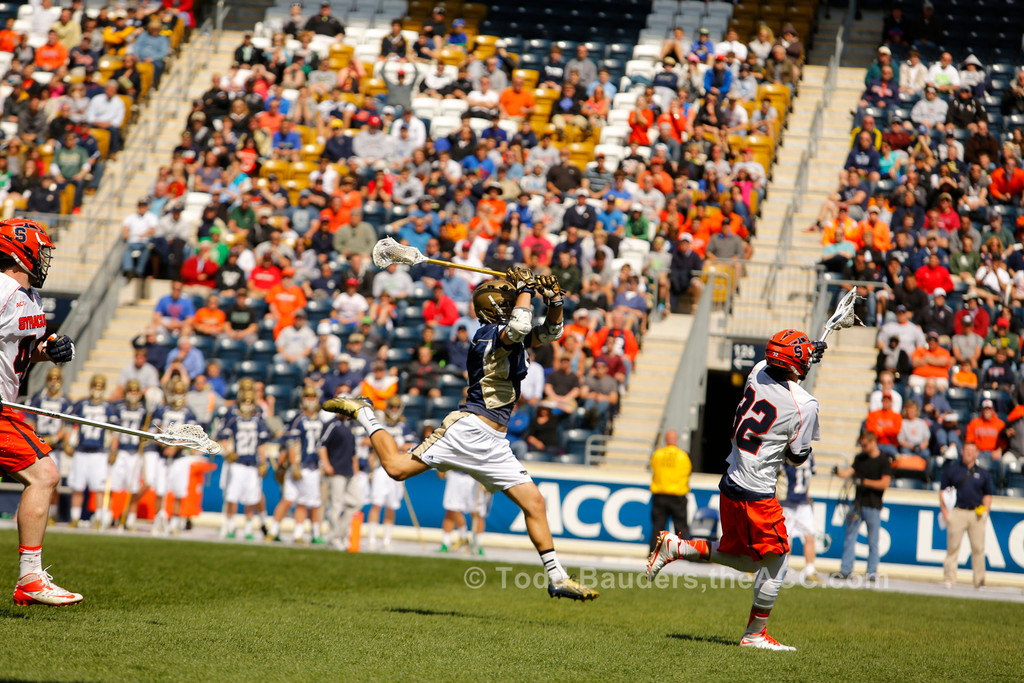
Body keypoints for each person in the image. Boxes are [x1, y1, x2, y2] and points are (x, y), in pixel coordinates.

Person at [324, 268, 599, 600]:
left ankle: (556, 577)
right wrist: (527, 288)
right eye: (509, 300)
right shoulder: (487, 334)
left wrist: (554, 300)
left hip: (496, 441)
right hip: (469, 428)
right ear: (496, 308)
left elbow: (552, 332)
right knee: (396, 469)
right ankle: (365, 411)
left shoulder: (511, 332)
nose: (515, 303)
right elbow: (522, 325)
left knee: (535, 503)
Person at [647, 329, 826, 651]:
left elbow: (783, 375)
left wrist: (807, 354)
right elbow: (797, 457)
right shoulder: (806, 403)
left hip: (732, 479)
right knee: (778, 560)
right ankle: (755, 634)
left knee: (746, 560)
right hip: (757, 490)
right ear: (796, 365)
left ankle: (677, 547)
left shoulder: (758, 370)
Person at [0, 219, 81, 605]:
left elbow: (19, 350)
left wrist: (46, 352)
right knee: (44, 473)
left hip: (8, 407)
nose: (45, 258)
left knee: (44, 474)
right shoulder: (1, 289)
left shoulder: (28, 296)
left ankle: (30, 578)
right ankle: (30, 578)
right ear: (20, 250)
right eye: (41, 249)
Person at [269, 386, 330, 544]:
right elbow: (290, 444)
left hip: (313, 466)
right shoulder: (298, 420)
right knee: (288, 499)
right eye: (307, 396)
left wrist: (323, 465)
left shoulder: (321, 421)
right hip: (299, 466)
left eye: (313, 397)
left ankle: (303, 533)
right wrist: (292, 465)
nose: (310, 400)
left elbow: (324, 446)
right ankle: (273, 529)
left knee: (310, 503)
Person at [833, 431, 892, 582]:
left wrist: (864, 482)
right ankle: (845, 570)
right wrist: (838, 472)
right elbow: (849, 472)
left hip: (873, 506)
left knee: (873, 540)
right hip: (857, 504)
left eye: (865, 444)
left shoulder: (884, 461)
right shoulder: (860, 458)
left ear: (873, 442)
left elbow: (885, 483)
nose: (863, 447)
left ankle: (871, 572)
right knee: (850, 536)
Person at [148, 380, 200, 536]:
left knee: (178, 491)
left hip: (180, 457)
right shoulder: (161, 410)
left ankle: (174, 523)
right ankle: (158, 520)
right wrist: (164, 444)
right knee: (160, 490)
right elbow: (153, 431)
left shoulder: (189, 413)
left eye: (180, 393)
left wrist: (176, 446)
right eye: (174, 392)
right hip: (162, 455)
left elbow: (192, 436)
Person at [217, 390, 270, 541]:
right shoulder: (234, 418)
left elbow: (261, 444)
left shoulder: (258, 420)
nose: (247, 405)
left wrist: (263, 461)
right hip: (237, 462)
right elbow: (223, 437)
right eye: (245, 401)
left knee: (251, 498)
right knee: (232, 496)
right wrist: (228, 452)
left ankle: (248, 527)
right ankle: (231, 525)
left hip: (252, 463)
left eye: (250, 402)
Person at [940, 442, 993, 589]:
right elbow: (943, 492)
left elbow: (988, 494)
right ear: (962, 452)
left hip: (976, 514)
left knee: (978, 549)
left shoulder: (983, 473)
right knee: (953, 548)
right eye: (967, 450)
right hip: (957, 512)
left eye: (972, 451)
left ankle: (979, 581)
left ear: (977, 454)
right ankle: (949, 579)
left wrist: (985, 511)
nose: (969, 453)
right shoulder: (952, 470)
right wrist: (945, 512)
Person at [67, 374, 115, 529]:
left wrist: (113, 450)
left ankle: (100, 518)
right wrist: (69, 442)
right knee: (77, 487)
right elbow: (70, 425)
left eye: (100, 387)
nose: (97, 390)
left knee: (99, 488)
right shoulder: (81, 404)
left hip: (99, 452)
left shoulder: (108, 407)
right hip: (81, 450)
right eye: (95, 386)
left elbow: (114, 432)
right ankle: (74, 518)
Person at [107, 380, 148, 531]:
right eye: (130, 390)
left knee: (134, 487)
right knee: (114, 485)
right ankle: (110, 515)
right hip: (122, 450)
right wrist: (113, 450)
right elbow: (114, 431)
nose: (133, 393)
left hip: (135, 451)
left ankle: (130, 518)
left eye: (136, 390)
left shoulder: (144, 411)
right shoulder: (119, 408)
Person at [320, 411, 361, 551]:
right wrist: (326, 464)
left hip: (348, 470)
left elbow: (353, 451)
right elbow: (322, 445)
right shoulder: (331, 424)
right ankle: (335, 537)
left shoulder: (350, 426)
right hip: (336, 469)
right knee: (336, 504)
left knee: (357, 502)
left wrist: (355, 467)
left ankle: (338, 534)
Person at [648, 430, 691, 552]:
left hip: (660, 495)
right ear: (676, 440)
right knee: (681, 527)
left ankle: (653, 553)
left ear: (666, 440)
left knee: (658, 528)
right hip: (677, 496)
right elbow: (687, 472)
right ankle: (683, 553)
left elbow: (653, 468)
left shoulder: (658, 454)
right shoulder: (683, 456)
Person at [781, 452, 821, 582]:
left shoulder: (787, 452)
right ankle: (782, 570)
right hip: (789, 501)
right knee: (788, 538)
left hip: (796, 501)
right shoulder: (808, 454)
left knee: (808, 535)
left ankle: (809, 570)